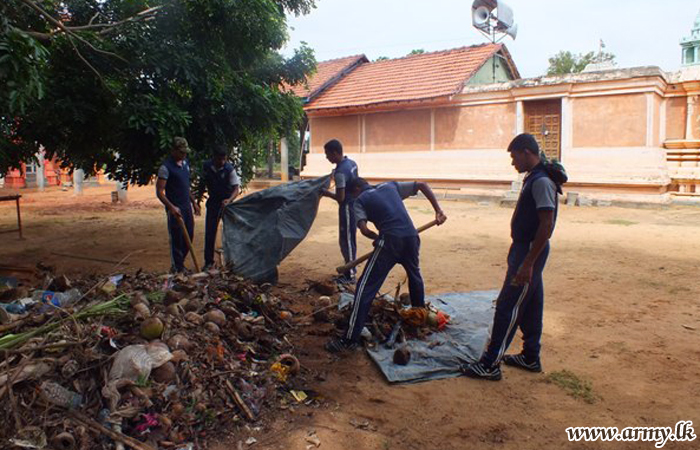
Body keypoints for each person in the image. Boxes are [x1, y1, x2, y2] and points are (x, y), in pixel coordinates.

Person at [461, 133, 566, 381]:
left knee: (508, 305)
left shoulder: (540, 181)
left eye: (514, 156)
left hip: (529, 251)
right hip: (527, 249)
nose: (512, 163)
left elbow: (546, 224)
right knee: (531, 304)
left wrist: (528, 262)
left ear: (527, 152)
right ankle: (530, 356)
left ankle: (490, 364)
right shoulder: (535, 178)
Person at [325, 178, 447, 353]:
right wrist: (438, 211)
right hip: (411, 237)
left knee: (365, 287)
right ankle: (418, 320)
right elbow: (421, 184)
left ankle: (349, 339)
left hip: (389, 241)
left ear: (356, 189)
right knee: (414, 276)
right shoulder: (390, 186)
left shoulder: (359, 200)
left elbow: (364, 229)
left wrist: (377, 239)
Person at [156, 137, 201, 273]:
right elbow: (159, 192)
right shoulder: (166, 168)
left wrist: (194, 203)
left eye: (185, 152)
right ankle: (177, 269)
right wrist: (171, 207)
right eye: (181, 152)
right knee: (177, 239)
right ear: (173, 150)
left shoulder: (185, 164)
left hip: (186, 207)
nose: (184, 155)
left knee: (189, 237)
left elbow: (186, 186)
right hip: (175, 209)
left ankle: (179, 265)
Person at [320, 139, 359, 285]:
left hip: (347, 208)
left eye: (327, 154)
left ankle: (350, 274)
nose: (327, 157)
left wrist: (325, 193)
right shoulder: (351, 163)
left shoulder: (340, 173)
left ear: (335, 153)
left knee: (347, 240)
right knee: (350, 239)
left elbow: (340, 198)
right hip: (355, 204)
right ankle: (350, 271)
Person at [197, 144, 241, 270]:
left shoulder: (229, 169)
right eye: (219, 159)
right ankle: (208, 262)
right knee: (210, 233)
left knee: (230, 234)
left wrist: (229, 200)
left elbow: (236, 189)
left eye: (224, 159)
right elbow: (202, 185)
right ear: (214, 158)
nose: (221, 162)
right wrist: (198, 202)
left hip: (227, 205)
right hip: (213, 204)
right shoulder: (206, 167)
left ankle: (233, 262)